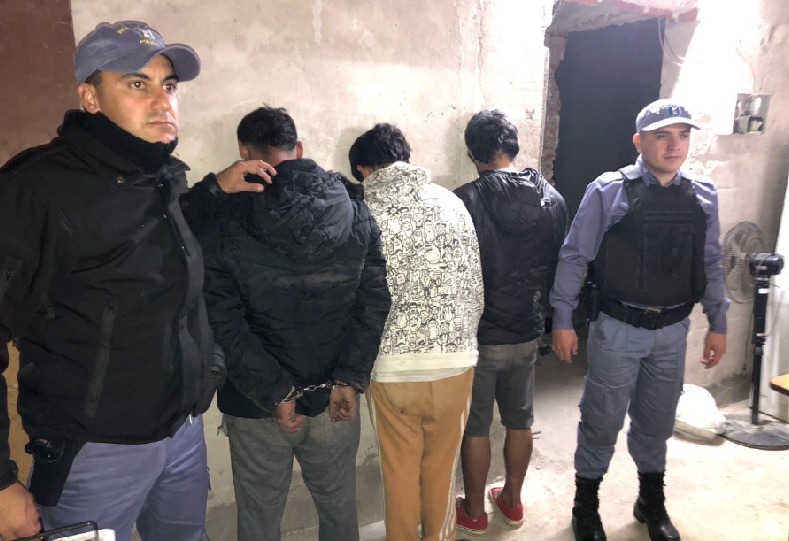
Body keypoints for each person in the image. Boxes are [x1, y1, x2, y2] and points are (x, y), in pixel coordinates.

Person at [0, 21, 274, 541]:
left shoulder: (161, 175)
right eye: (136, 83)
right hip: (97, 449)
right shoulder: (37, 191)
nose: (162, 101)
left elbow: (145, 239)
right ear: (90, 97)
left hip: (181, 432)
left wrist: (214, 189)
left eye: (168, 85)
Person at [198, 106, 390, 541]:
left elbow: (221, 318)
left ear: (245, 152)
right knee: (339, 511)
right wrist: (350, 378)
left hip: (256, 404)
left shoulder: (223, 217)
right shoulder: (353, 208)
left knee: (259, 521)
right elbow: (374, 301)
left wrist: (276, 391)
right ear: (298, 149)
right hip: (334, 397)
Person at [550, 99, 728, 541]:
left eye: (683, 135)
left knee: (657, 422)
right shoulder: (609, 191)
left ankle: (650, 501)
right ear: (638, 141)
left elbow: (710, 262)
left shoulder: (703, 195)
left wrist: (718, 321)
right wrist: (562, 319)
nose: (675, 145)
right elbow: (575, 256)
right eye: (662, 136)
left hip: (672, 331)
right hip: (618, 329)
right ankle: (586, 505)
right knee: (602, 420)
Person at [348, 123, 484, 541]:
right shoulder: (452, 203)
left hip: (392, 370)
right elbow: (475, 287)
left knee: (400, 472)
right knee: (441, 469)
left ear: (364, 169)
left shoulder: (360, 212)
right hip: (454, 363)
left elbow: (353, 298)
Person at [453, 110, 568, 536]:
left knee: (476, 426)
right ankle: (513, 502)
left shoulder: (463, 201)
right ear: (513, 148)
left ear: (472, 153)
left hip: (480, 337)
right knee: (521, 420)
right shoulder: (552, 199)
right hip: (526, 331)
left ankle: (474, 512)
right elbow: (558, 265)